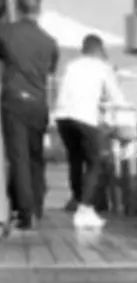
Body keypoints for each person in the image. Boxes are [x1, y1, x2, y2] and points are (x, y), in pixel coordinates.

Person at [54, 33, 128, 229]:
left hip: (62, 117)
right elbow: (117, 97)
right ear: (100, 50)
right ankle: (85, 209)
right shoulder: (102, 67)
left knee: (75, 159)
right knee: (96, 161)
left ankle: (78, 200)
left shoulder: (71, 65)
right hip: (84, 117)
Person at [0, 0, 59, 230]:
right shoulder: (49, 41)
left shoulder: (6, 32)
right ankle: (37, 206)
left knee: (19, 157)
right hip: (38, 103)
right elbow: (50, 71)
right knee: (35, 157)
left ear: (18, 8)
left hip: (14, 100)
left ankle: (25, 212)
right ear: (39, 9)